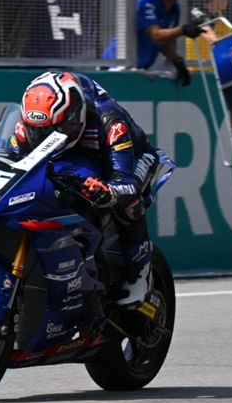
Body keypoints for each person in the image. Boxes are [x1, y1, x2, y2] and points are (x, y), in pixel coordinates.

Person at [15, 70, 163, 308]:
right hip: (73, 155)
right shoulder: (30, 122)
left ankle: (139, 272)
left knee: (127, 203)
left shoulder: (110, 123)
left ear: (74, 117)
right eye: (37, 131)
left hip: (132, 157)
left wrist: (109, 191)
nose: (42, 137)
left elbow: (125, 181)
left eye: (52, 130)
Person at [184, 0, 231, 71]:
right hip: (195, 73)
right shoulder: (195, 13)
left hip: (214, 72)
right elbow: (212, 39)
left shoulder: (221, 19)